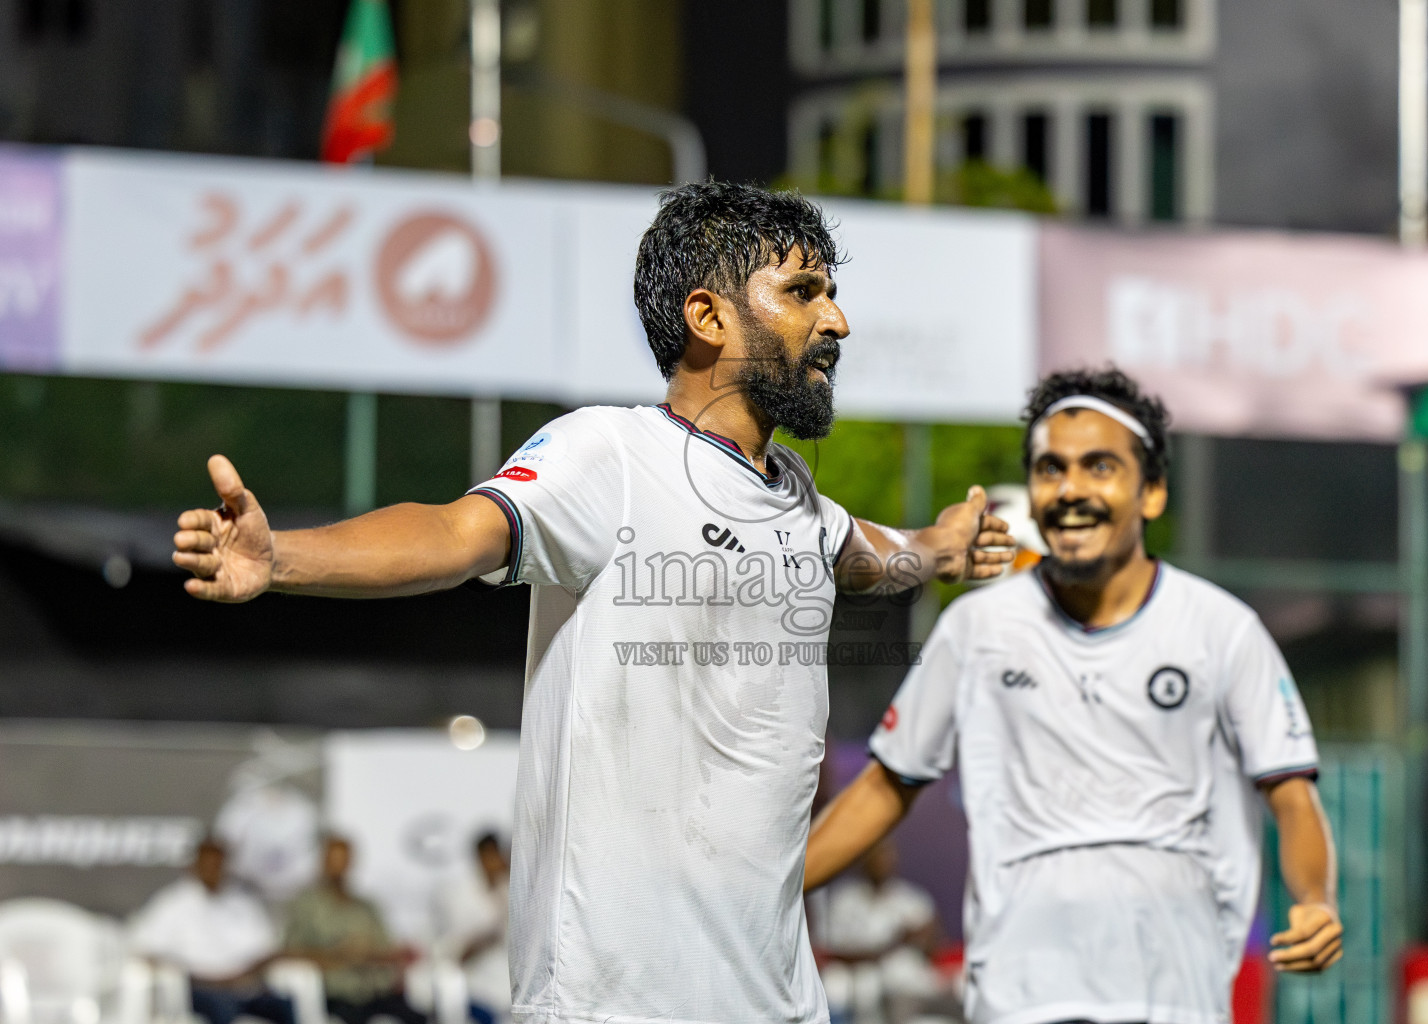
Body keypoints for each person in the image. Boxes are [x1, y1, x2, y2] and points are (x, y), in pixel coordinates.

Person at [171, 181, 1014, 1024]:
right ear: (708, 317)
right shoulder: (608, 453)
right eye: (803, 292)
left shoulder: (798, 500)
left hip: (778, 1005)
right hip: (614, 1005)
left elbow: (875, 558)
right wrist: (285, 557)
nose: (836, 321)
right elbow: (454, 534)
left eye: (830, 293)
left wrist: (945, 544)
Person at [804, 367, 1343, 1024]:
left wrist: (1315, 899)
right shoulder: (978, 628)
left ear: (1151, 493)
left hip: (1175, 997)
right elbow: (886, 788)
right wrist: (765, 894)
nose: (1070, 490)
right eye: (1051, 469)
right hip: (1021, 998)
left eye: (1099, 467)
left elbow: (1291, 793)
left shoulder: (1222, 630)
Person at [127, 838, 294, 1024]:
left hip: (243, 987)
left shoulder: (243, 903)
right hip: (197, 989)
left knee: (285, 1007)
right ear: (194, 866)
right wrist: (183, 974)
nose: (214, 870)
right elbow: (144, 948)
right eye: (208, 864)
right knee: (222, 1009)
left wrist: (244, 977)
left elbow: (265, 949)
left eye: (219, 864)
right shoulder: (172, 904)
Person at [282, 835, 425, 1024]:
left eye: (344, 860)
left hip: (377, 991)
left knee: (419, 1017)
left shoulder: (366, 907)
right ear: (322, 862)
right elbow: (291, 952)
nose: (339, 867)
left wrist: (370, 952)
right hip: (336, 994)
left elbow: (388, 949)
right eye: (333, 860)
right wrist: (339, 954)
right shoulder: (307, 905)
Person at [817, 839, 943, 1024]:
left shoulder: (912, 899)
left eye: (886, 855)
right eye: (875, 856)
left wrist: (929, 933)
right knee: (840, 986)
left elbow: (932, 949)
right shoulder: (845, 898)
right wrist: (895, 943)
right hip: (856, 983)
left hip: (907, 989)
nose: (881, 862)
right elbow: (835, 950)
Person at [433, 832, 511, 1024]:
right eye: (494, 855)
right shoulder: (458, 896)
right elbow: (455, 951)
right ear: (481, 856)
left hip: (512, 993)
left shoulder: (512, 889)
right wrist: (488, 936)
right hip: (475, 992)